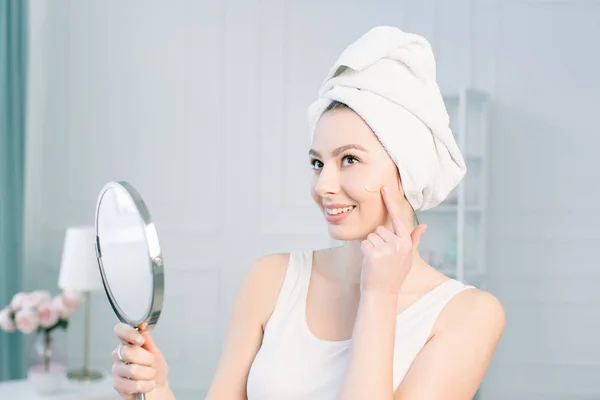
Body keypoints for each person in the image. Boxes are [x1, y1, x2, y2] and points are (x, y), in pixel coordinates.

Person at [110, 26, 505, 400]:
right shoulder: (272, 279)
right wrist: (156, 389)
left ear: (407, 170)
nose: (322, 186)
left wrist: (379, 293)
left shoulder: (468, 315)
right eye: (317, 163)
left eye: (349, 159)